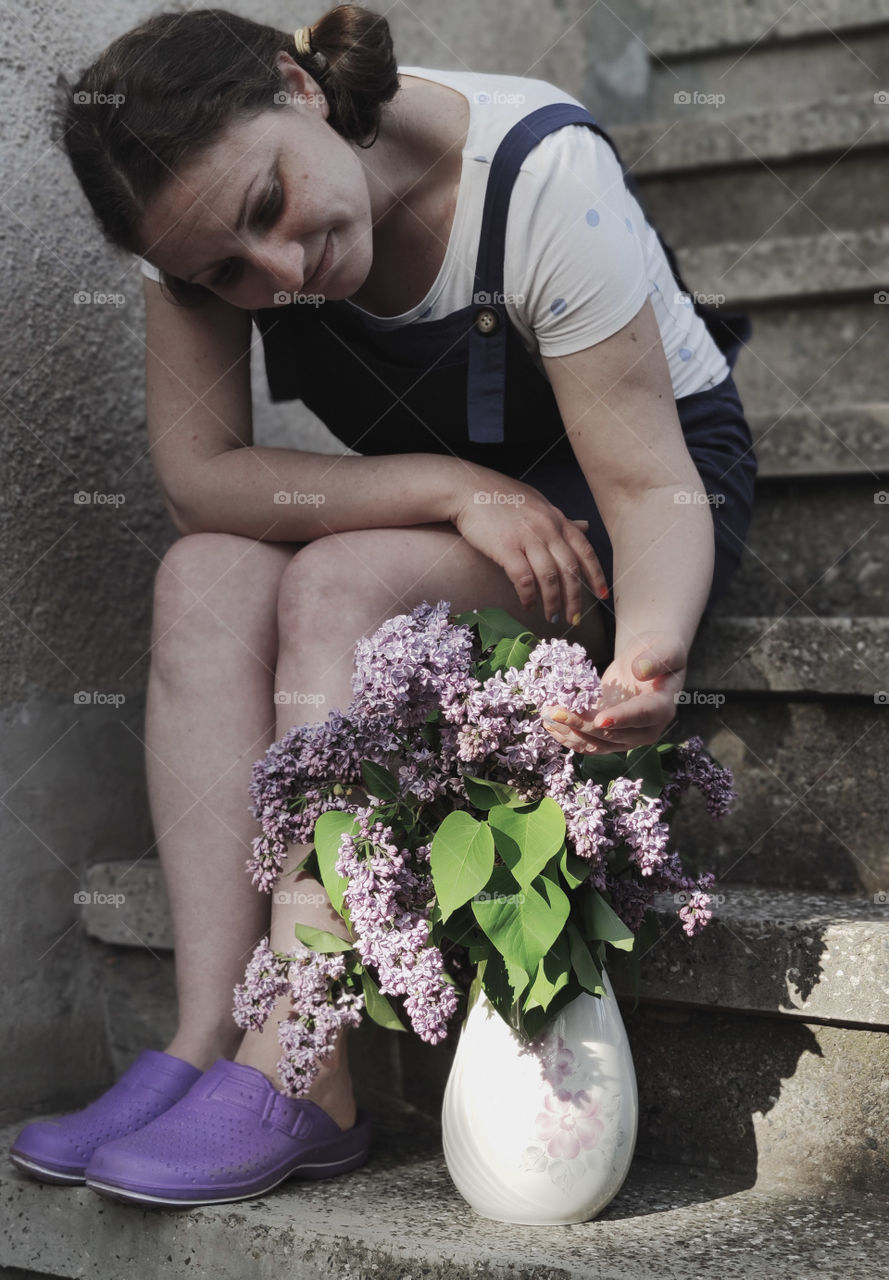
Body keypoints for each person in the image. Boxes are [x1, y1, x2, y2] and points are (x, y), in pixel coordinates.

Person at [9, 5, 757, 1207]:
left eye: (269, 211)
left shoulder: (535, 171)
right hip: (450, 503)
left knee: (339, 581)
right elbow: (204, 476)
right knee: (197, 574)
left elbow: (644, 481)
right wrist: (453, 489)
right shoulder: (191, 218)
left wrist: (652, 651)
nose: (280, 274)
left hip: (637, 489)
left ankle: (303, 1061)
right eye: (227, 274)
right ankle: (207, 1032)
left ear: (297, 88)